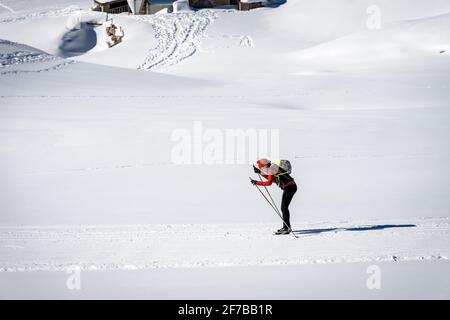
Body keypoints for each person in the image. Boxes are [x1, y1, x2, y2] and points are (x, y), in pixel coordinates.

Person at [250, 158, 297, 235]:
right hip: (290, 187)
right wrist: (260, 172)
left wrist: (256, 182)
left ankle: (286, 228)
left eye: (261, 167)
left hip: (290, 188)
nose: (261, 168)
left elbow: (269, 182)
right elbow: (271, 178)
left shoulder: (271, 169)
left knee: (284, 207)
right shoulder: (272, 168)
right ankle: (286, 227)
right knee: (284, 207)